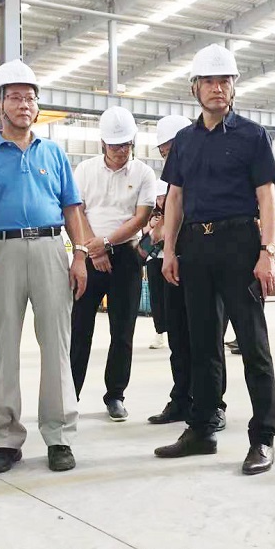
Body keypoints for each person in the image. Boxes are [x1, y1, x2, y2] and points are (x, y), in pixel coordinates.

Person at [156, 44, 275, 476]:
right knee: (202, 344)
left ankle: (263, 437)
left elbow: (267, 197)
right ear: (194, 88)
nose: (217, 88)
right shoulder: (185, 142)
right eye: (209, 81)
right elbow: (175, 198)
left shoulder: (252, 135)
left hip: (239, 244)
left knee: (252, 344)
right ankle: (202, 428)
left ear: (234, 87)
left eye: (224, 81)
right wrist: (169, 250)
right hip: (196, 248)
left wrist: (266, 252)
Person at [0, 59, 88, 474]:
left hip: (51, 248)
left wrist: (80, 255)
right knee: (3, 347)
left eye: (30, 98)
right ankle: (7, 438)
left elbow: (72, 209)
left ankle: (59, 435)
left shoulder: (54, 153)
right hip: (3, 252)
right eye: (14, 97)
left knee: (57, 344)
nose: (24, 105)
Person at [70, 107, 155, 422]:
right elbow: (76, 211)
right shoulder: (85, 170)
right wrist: (94, 249)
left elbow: (141, 218)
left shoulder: (143, 173)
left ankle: (115, 395)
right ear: (102, 143)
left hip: (126, 258)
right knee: (80, 328)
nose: (121, 151)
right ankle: (69, 394)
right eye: (115, 145)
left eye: (126, 145)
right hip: (89, 257)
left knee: (122, 331)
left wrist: (107, 243)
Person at [146, 114, 228, 430]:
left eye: (171, 150)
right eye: (164, 152)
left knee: (208, 339)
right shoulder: (167, 182)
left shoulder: (206, 174)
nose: (169, 156)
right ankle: (181, 398)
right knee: (178, 337)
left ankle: (213, 404)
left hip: (203, 262)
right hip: (173, 264)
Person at [142, 178, 171, 351]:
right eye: (158, 198)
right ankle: (159, 332)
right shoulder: (151, 214)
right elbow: (144, 237)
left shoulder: (175, 210)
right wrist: (151, 225)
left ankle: (173, 331)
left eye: (163, 197)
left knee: (171, 297)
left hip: (170, 258)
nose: (161, 201)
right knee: (156, 297)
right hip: (154, 259)